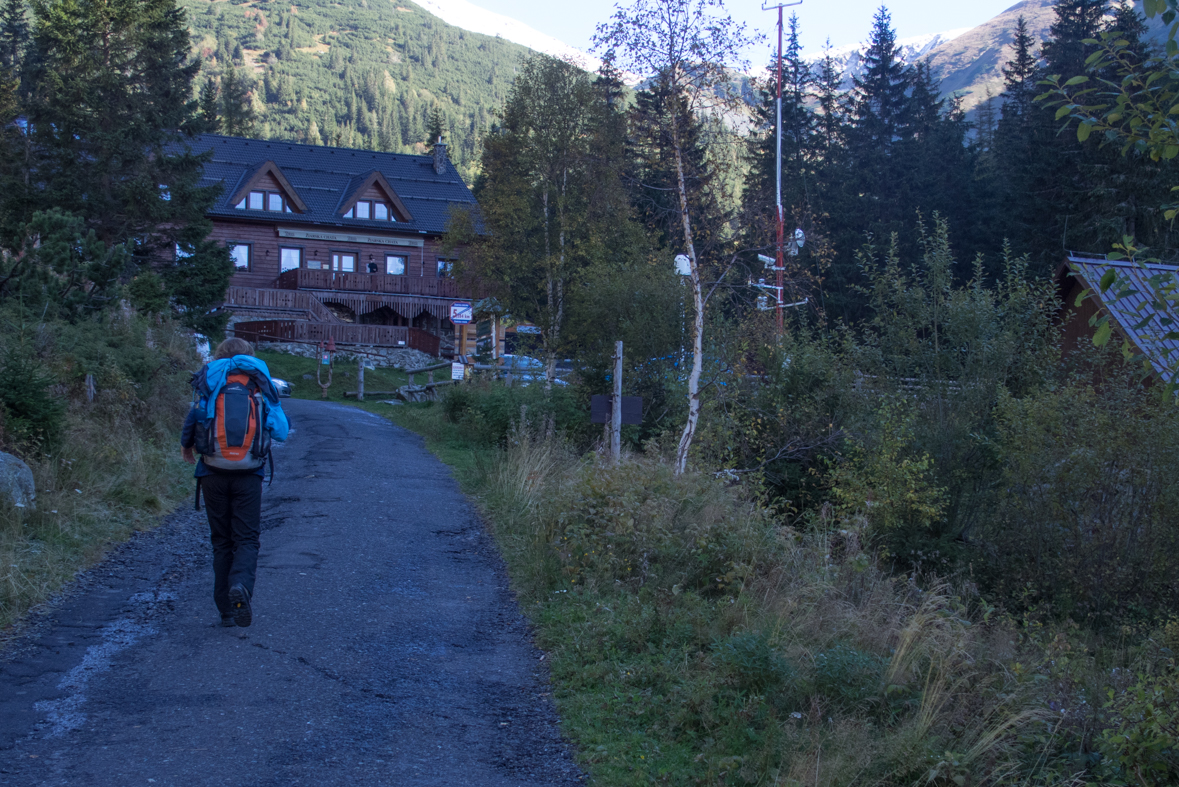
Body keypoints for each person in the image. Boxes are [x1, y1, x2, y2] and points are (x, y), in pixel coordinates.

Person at [181, 338, 289, 628]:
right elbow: (280, 432)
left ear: (220, 354)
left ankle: (226, 611)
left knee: (221, 541)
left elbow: (195, 414)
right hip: (248, 473)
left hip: (212, 472)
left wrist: (186, 447)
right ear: (249, 357)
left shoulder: (211, 376)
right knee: (246, 538)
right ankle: (240, 586)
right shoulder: (258, 381)